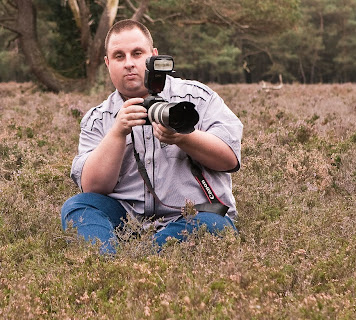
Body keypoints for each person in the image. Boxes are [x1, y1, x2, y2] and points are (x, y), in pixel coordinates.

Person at [61, 19, 243, 254]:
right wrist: (117, 133)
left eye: (137, 53)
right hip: (127, 220)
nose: (129, 64)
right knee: (78, 206)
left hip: (191, 216)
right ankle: (113, 262)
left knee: (213, 225)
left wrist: (184, 138)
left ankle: (125, 262)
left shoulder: (198, 98)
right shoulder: (98, 118)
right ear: (107, 63)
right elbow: (92, 186)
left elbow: (229, 159)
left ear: (154, 55)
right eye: (119, 56)